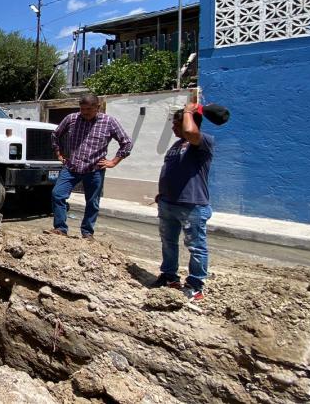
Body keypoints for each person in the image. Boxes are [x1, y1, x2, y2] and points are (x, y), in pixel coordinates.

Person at [151, 103, 214, 301]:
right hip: (168, 203)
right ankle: (170, 276)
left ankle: (196, 284)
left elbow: (189, 131)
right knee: (168, 242)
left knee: (195, 246)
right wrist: (162, 194)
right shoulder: (177, 145)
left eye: (177, 124)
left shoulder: (203, 142)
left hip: (192, 205)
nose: (173, 128)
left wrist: (188, 111)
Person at [46, 94, 133, 238]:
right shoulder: (72, 119)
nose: (84, 112)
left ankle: (87, 233)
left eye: (88, 109)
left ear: (97, 107)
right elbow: (55, 135)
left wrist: (113, 162)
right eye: (82, 109)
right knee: (57, 194)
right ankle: (60, 229)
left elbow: (126, 142)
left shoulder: (109, 122)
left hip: (94, 170)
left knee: (92, 202)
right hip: (72, 167)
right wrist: (58, 152)